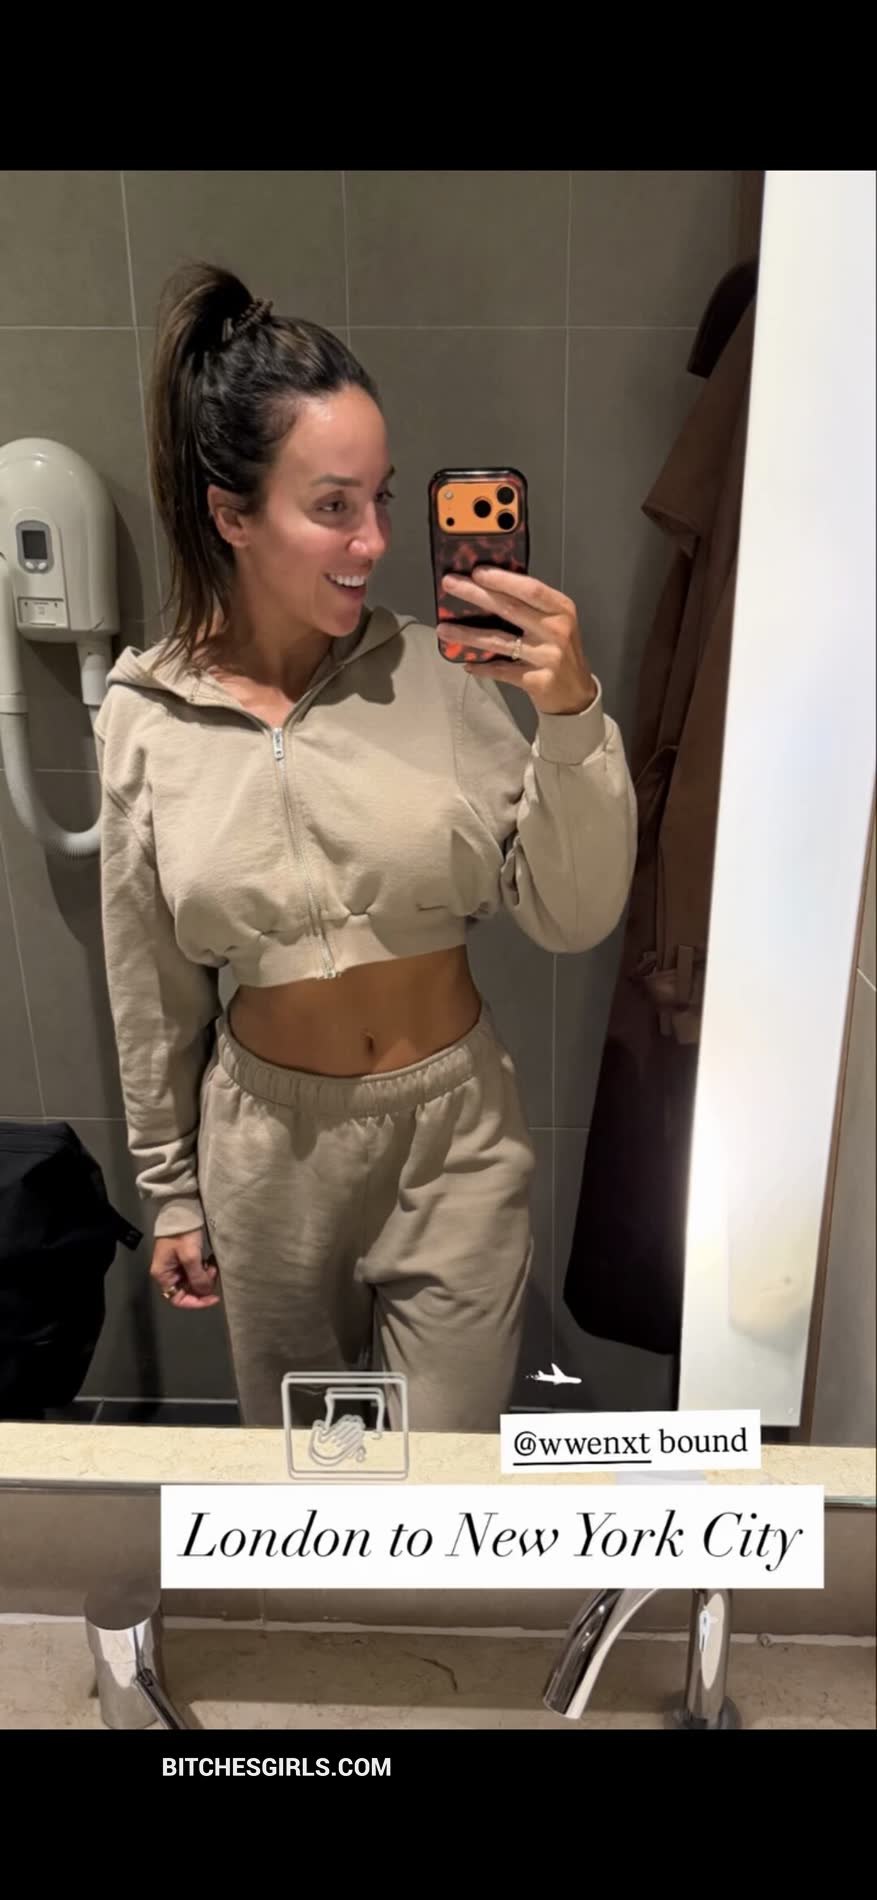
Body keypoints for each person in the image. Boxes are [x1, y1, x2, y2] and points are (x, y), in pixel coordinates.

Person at [95, 262, 637, 1434]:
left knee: (433, 1479)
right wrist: (171, 1189)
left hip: (452, 1143)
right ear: (231, 515)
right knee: (320, 1479)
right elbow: (149, 983)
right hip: (268, 1159)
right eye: (333, 506)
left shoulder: (441, 674)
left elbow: (573, 910)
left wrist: (570, 716)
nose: (377, 540)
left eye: (383, 499)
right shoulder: (146, 716)